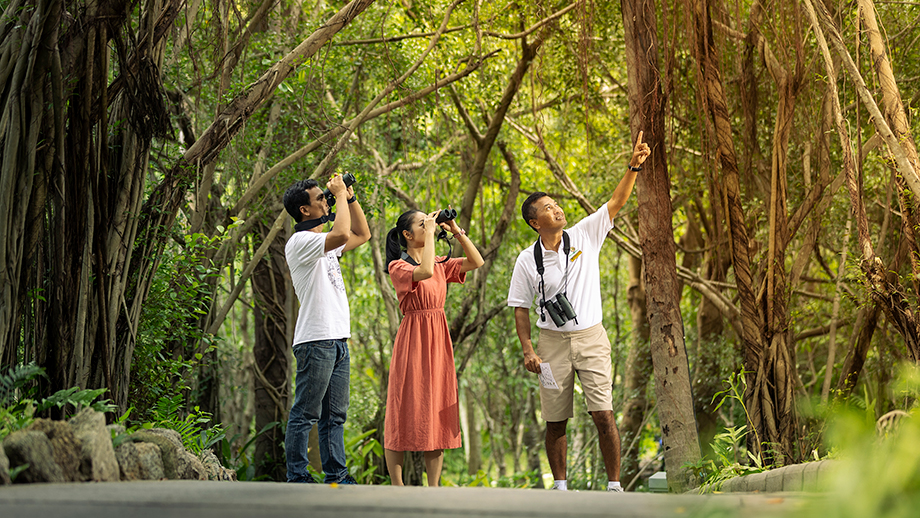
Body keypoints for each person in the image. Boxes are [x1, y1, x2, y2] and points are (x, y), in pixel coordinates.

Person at [507, 132, 651, 492]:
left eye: (556, 205)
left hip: (591, 337)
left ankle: (614, 486)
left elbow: (616, 202)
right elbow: (520, 309)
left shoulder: (585, 234)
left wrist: (633, 166)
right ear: (534, 222)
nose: (556, 209)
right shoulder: (527, 260)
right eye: (547, 209)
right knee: (555, 419)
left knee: (603, 413)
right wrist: (528, 349)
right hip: (551, 342)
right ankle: (560, 486)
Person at [383, 209, 484, 486]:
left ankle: (434, 486)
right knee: (402, 407)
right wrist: (430, 232)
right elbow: (424, 271)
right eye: (421, 223)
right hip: (414, 339)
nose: (428, 226)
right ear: (407, 234)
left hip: (438, 339)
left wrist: (455, 230)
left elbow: (477, 261)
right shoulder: (398, 266)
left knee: (436, 406)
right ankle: (398, 485)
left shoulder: (442, 262)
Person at [282, 173, 371, 484]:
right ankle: (297, 476)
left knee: (335, 417)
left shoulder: (324, 244)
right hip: (315, 340)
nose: (326, 200)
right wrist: (341, 198)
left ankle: (338, 475)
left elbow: (362, 233)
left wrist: (350, 195)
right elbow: (343, 232)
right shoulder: (300, 242)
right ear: (304, 210)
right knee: (306, 413)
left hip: (337, 340)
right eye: (321, 197)